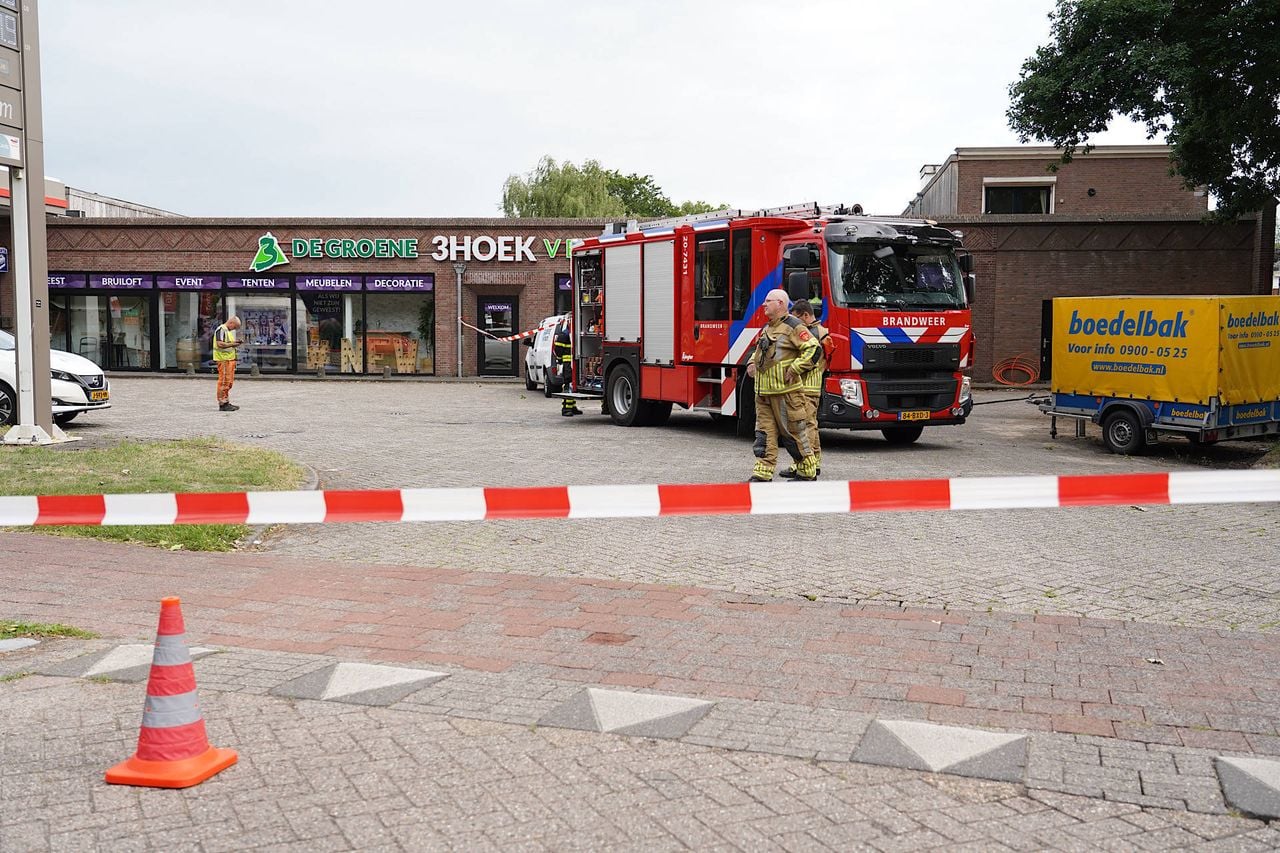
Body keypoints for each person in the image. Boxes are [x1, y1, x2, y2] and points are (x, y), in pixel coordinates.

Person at [745, 289, 821, 482]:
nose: (763, 304)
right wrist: (751, 364)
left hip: (786, 394)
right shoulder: (767, 327)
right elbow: (757, 351)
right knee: (764, 434)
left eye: (768, 301)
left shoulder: (794, 326)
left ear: (780, 303)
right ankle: (763, 471)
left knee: (794, 434)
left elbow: (814, 349)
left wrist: (796, 368)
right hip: (763, 393)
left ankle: (807, 470)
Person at [781, 299, 835, 479]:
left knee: (804, 428)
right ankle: (816, 462)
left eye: (796, 319)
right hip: (814, 385)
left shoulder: (811, 333)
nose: (794, 324)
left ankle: (802, 463)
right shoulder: (822, 332)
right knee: (812, 425)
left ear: (805, 315)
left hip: (805, 386)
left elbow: (807, 358)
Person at [212, 315, 243, 411]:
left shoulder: (226, 331)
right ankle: (223, 403)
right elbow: (220, 344)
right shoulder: (222, 329)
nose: (234, 329)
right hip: (224, 360)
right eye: (234, 327)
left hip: (228, 360)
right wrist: (234, 344)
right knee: (224, 382)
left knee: (228, 382)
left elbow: (226, 343)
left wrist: (235, 342)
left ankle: (226, 401)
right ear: (231, 323)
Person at [553, 323, 580, 416]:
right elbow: (557, 350)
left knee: (573, 385)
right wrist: (561, 360)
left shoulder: (570, 334)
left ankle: (572, 407)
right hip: (567, 364)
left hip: (574, 363)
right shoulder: (564, 335)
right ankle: (566, 409)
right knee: (568, 384)